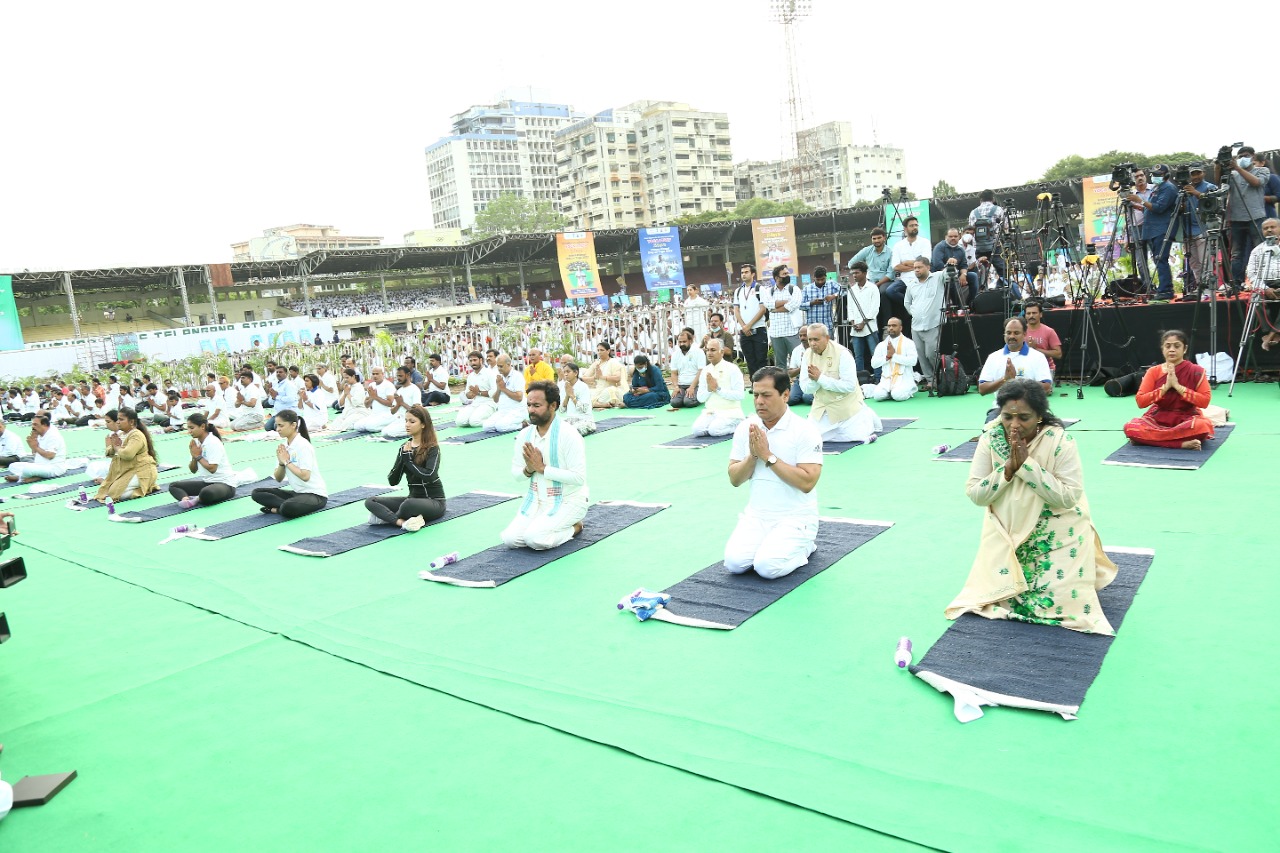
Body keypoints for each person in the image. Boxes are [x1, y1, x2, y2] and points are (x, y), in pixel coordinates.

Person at [945, 379, 1116, 635]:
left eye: (1023, 417)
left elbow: (1069, 497)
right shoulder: (991, 438)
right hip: (1008, 531)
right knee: (1001, 598)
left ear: (1039, 416)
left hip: (1056, 531)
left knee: (1059, 608)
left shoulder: (1060, 440)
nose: (1014, 425)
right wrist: (1008, 470)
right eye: (1007, 417)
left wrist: (1027, 467)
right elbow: (976, 494)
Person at [724, 366, 824, 579]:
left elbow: (808, 482)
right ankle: (774, 544)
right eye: (756, 395)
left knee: (767, 568)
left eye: (766, 395)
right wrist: (753, 456)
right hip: (757, 516)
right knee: (734, 564)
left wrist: (768, 456)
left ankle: (806, 545)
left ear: (785, 395)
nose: (759, 401)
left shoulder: (805, 430)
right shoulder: (746, 428)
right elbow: (734, 478)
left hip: (795, 518)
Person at [501, 381, 589, 550]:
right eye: (528, 405)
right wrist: (529, 469)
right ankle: (547, 524)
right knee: (510, 540)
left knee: (534, 539)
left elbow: (579, 478)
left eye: (537, 405)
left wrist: (542, 469)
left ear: (553, 405)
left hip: (569, 500)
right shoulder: (524, 435)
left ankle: (575, 527)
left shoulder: (569, 435)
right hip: (537, 500)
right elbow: (516, 474)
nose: (531, 410)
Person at [1122, 330, 1215, 450]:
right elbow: (1140, 401)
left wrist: (1178, 386)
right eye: (1168, 346)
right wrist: (1165, 388)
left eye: (1177, 346)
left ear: (1185, 349)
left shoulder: (1196, 371)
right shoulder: (1153, 371)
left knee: (1202, 427)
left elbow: (1205, 401)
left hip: (1186, 416)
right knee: (1130, 427)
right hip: (1158, 417)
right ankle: (1179, 444)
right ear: (1162, 349)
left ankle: (1149, 440)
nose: (1172, 349)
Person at [363, 405, 445, 532]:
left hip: (434, 502)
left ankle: (387, 518)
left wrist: (408, 460)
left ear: (423, 424)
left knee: (408, 505)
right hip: (412, 498)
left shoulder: (432, 448)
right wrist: (402, 459)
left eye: (412, 421)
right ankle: (400, 522)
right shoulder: (404, 448)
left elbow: (430, 475)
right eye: (406, 421)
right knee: (370, 501)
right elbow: (393, 481)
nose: (407, 424)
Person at [800, 324, 881, 443]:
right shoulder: (807, 355)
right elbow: (805, 388)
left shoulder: (843, 353)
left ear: (827, 338)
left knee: (853, 437)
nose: (812, 343)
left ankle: (865, 413)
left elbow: (849, 386)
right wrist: (816, 380)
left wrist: (821, 378)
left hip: (845, 406)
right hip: (822, 407)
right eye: (810, 339)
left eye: (816, 339)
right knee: (810, 438)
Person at [250, 410, 329, 519]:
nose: (277, 429)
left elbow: (305, 476)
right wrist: (281, 463)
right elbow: (278, 478)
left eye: (281, 425)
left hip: (315, 495)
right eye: (276, 426)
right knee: (257, 493)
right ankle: (284, 506)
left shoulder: (303, 446)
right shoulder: (284, 446)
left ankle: (279, 508)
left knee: (288, 507)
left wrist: (287, 461)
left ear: (293, 425)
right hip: (297, 493)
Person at [1215, 145, 1270, 285]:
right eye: (1240, 156)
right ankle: (1236, 283)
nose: (1243, 158)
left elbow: (1256, 182)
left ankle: (1262, 282)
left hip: (1256, 217)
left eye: (1246, 155)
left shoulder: (1262, 170)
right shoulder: (1232, 174)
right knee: (1236, 254)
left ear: (1253, 156)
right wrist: (1218, 164)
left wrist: (1238, 168)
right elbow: (1218, 182)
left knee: (1260, 251)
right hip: (1235, 219)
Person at [978, 317, 1053, 417]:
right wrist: (1004, 380)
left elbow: (1046, 387)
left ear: (1025, 334)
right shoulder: (993, 357)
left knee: (1053, 430)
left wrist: (1017, 384)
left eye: (1016, 333)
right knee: (990, 431)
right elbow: (982, 389)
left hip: (1031, 408)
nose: (1011, 336)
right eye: (1008, 333)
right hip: (1001, 409)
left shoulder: (1037, 356)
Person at [1128, 164, 1179, 302]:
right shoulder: (1158, 188)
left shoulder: (1168, 188)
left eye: (1158, 174)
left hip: (1161, 228)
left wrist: (1140, 201)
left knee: (1161, 258)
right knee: (1157, 259)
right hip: (1152, 229)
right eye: (1154, 174)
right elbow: (1149, 209)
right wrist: (1137, 205)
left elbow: (1158, 208)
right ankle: (1162, 288)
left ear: (1166, 175)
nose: (1155, 177)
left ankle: (1166, 290)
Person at [167, 412, 239, 507]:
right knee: (174, 486)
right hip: (208, 483)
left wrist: (198, 456)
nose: (189, 431)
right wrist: (193, 456)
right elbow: (193, 470)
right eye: (188, 428)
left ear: (202, 426)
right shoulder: (196, 443)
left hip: (225, 484)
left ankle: (197, 498)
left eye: (192, 428)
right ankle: (186, 499)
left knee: (206, 493)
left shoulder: (213, 442)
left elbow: (212, 469)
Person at [93, 408, 159, 501]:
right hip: (127, 471)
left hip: (141, 471)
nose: (118, 422)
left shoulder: (136, 435)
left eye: (121, 419)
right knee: (106, 491)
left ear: (131, 422)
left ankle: (145, 487)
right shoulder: (121, 434)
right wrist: (113, 446)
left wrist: (117, 447)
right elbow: (109, 453)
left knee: (114, 494)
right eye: (117, 419)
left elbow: (128, 455)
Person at [904, 257, 946, 390]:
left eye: (919, 267)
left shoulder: (938, 277)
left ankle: (941, 377)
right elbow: (907, 302)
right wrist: (913, 313)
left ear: (928, 267)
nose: (916, 270)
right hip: (916, 325)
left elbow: (950, 274)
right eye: (915, 267)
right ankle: (930, 381)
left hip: (933, 323)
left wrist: (951, 265)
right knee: (921, 355)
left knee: (931, 354)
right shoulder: (911, 284)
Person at [691, 338, 745, 437]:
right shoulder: (705, 370)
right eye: (707, 350)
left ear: (722, 352)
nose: (709, 353)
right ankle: (715, 424)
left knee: (714, 431)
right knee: (696, 430)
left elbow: (740, 395)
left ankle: (739, 424)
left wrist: (718, 389)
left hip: (730, 412)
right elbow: (700, 398)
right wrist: (709, 389)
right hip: (711, 412)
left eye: (713, 350)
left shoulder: (733, 369)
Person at [886, 217, 932, 332]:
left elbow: (926, 261)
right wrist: (916, 264)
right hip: (905, 279)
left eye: (916, 225)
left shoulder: (925, 242)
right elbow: (895, 266)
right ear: (905, 228)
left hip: (921, 278)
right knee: (890, 291)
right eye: (912, 225)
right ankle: (913, 306)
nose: (915, 227)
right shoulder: (898, 245)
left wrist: (906, 263)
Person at [846, 227, 895, 328]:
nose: (876, 240)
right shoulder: (867, 250)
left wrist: (876, 285)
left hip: (885, 281)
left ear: (884, 238)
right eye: (874, 238)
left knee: (882, 292)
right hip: (869, 281)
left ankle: (886, 325)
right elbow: (851, 263)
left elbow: (890, 274)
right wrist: (862, 269)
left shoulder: (891, 252)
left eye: (879, 238)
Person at [1245, 218, 1280, 350]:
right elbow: (1252, 274)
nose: (1269, 230)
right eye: (1266, 228)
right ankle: (1269, 332)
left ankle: (1271, 335)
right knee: (1255, 299)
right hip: (1265, 283)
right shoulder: (1257, 250)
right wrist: (1265, 289)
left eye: (1273, 227)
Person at [865, 317, 919, 401]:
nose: (891, 328)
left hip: (904, 379)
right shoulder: (882, 345)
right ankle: (890, 392)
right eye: (889, 326)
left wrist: (893, 356)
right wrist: (887, 357)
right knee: (877, 396)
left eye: (894, 325)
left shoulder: (908, 343)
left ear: (900, 328)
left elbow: (913, 361)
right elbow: (874, 364)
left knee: (897, 396)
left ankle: (911, 386)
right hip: (886, 380)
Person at [844, 261, 881, 380]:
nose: (854, 275)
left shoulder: (873, 288)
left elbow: (875, 308)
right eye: (853, 273)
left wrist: (863, 323)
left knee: (875, 355)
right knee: (857, 356)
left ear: (865, 273)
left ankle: (878, 378)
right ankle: (859, 380)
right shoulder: (851, 290)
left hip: (870, 327)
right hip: (855, 328)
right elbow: (849, 308)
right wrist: (853, 323)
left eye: (857, 273)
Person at [4, 415, 68, 483]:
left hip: (53, 467)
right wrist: (32, 444)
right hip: (39, 465)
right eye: (32, 424)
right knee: (12, 466)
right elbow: (35, 454)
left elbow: (50, 456)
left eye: (35, 424)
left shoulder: (53, 436)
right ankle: (35, 476)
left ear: (44, 425)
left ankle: (21, 478)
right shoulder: (39, 434)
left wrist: (35, 447)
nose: (33, 427)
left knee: (27, 469)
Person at [733, 263, 770, 379]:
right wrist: (744, 326)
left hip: (758, 329)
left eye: (746, 272)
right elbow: (736, 310)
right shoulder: (738, 291)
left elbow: (763, 309)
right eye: (742, 272)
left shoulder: (760, 289)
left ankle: (763, 384)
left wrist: (749, 325)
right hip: (744, 330)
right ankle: (754, 384)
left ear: (753, 274)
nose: (743, 275)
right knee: (749, 359)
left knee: (761, 359)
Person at [765, 264, 804, 368]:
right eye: (784, 274)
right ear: (777, 277)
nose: (787, 275)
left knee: (797, 362)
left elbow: (794, 304)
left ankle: (798, 383)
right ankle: (783, 384)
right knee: (780, 364)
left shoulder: (794, 289)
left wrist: (775, 309)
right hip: (776, 333)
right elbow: (768, 305)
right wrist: (786, 302)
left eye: (788, 273)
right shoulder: (769, 291)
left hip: (792, 332)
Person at [931, 227, 976, 307]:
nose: (953, 238)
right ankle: (958, 306)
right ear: (946, 237)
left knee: (973, 276)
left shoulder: (961, 249)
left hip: (955, 273)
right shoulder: (939, 247)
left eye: (955, 236)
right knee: (953, 281)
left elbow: (964, 265)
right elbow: (937, 264)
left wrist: (963, 275)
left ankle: (970, 303)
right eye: (950, 236)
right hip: (941, 275)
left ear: (959, 237)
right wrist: (950, 271)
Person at [968, 190, 1007, 279]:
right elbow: (1006, 226)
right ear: (993, 199)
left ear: (980, 200)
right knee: (1003, 272)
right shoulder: (998, 209)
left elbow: (970, 230)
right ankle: (1003, 289)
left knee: (979, 272)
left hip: (978, 247)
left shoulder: (973, 213)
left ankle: (981, 290)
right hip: (995, 246)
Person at [483, 354, 527, 433]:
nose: (499, 369)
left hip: (516, 410)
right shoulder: (500, 377)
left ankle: (523, 424)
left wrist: (503, 388)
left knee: (501, 427)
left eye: (501, 366)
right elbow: (495, 400)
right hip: (502, 411)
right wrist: (499, 388)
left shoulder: (517, 376)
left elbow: (519, 398)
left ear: (508, 364)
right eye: (498, 366)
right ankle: (507, 423)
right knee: (486, 427)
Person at [1022, 301, 1062, 381]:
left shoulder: (1049, 331)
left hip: (1046, 368)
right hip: (1025, 368)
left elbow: (1058, 354)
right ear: (1025, 315)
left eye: (1034, 313)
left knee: (1042, 391)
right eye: (1028, 313)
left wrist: (1035, 349)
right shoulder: (1020, 331)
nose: (1031, 316)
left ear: (1040, 314)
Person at [456, 351, 498, 427]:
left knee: (474, 422)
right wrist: (470, 394)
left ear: (481, 360)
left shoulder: (490, 373)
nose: (473, 363)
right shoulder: (470, 376)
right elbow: (467, 394)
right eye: (471, 361)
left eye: (475, 360)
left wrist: (478, 393)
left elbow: (494, 392)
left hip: (489, 403)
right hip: (475, 403)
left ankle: (496, 420)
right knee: (460, 422)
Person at [668, 328, 706, 409]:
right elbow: (674, 373)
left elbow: (701, 371)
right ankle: (685, 396)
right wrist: (676, 387)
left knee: (688, 402)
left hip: (696, 385)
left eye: (684, 342)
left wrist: (692, 387)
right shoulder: (675, 354)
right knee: (674, 403)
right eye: (680, 342)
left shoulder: (698, 352)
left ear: (690, 341)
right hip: (681, 386)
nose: (682, 344)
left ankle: (701, 396)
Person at [381, 366, 424, 439]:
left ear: (407, 375)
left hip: (412, 421)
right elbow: (392, 411)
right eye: (397, 376)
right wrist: (398, 404)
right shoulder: (399, 391)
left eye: (401, 376)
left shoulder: (414, 389)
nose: (398, 378)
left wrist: (402, 403)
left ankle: (417, 430)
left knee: (391, 432)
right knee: (384, 432)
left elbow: (417, 410)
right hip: (400, 420)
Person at [557, 361, 596, 436]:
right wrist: (567, 396)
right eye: (564, 372)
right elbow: (561, 410)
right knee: (554, 428)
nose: (565, 374)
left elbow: (584, 409)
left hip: (585, 421)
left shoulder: (583, 387)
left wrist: (572, 396)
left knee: (572, 432)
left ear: (575, 373)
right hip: (570, 420)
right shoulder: (564, 388)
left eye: (568, 372)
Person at [582, 342, 625, 409]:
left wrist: (602, 377)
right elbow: (584, 378)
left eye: (602, 350)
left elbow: (617, 378)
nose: (599, 352)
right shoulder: (596, 363)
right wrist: (594, 377)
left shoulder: (613, 362)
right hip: (598, 391)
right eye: (598, 350)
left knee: (610, 391)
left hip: (608, 391)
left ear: (608, 351)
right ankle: (601, 405)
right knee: (585, 393)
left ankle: (597, 403)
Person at [356, 366, 397, 433]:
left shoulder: (388, 385)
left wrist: (375, 397)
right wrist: (372, 397)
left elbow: (390, 403)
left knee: (370, 427)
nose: (375, 376)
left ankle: (390, 424)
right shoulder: (371, 385)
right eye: (373, 374)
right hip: (374, 415)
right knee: (357, 426)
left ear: (382, 374)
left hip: (387, 414)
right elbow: (366, 405)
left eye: (377, 374)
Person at [264, 365, 299, 432]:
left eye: (280, 372)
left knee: (276, 427)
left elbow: (290, 399)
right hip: (277, 413)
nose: (278, 374)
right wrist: (273, 397)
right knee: (267, 427)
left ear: (286, 374)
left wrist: (277, 397)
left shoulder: (289, 385)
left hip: (288, 413)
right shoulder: (275, 385)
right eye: (277, 372)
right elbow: (271, 402)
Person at [786, 324, 813, 405]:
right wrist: (802, 367)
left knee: (807, 398)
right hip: (800, 380)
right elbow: (790, 373)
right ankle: (801, 395)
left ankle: (805, 395)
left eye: (805, 335)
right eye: (800, 335)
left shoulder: (816, 348)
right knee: (790, 400)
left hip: (813, 379)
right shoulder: (796, 350)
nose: (802, 338)